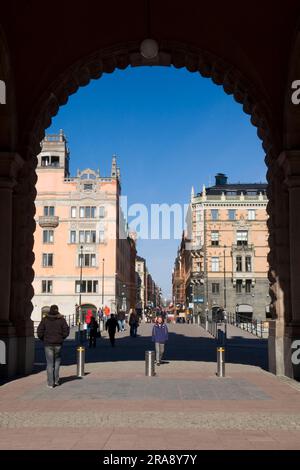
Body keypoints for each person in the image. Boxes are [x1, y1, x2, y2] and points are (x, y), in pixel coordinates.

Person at [37, 304, 70, 388]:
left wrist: (43, 338)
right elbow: (66, 330)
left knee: (49, 363)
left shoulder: (45, 320)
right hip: (58, 343)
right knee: (57, 362)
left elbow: (39, 331)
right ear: (57, 310)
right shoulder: (61, 320)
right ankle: (56, 380)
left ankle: (50, 383)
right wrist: (62, 337)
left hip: (48, 343)